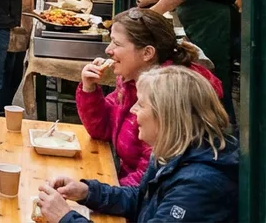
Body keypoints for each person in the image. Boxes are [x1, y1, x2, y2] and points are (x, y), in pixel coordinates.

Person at [36, 66, 238, 223]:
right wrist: (87, 191)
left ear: (166, 116)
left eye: (141, 104)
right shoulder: (179, 152)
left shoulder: (197, 186)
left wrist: (65, 218)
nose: (132, 110)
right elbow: (143, 200)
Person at [76, 9, 222, 187]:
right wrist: (89, 89)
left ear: (147, 53)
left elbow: (147, 181)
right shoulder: (130, 81)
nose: (108, 50)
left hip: (141, 199)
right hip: (124, 189)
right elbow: (103, 130)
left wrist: (99, 194)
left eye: (116, 43)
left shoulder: (169, 99)